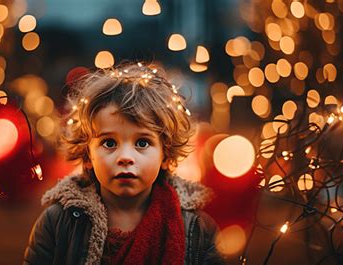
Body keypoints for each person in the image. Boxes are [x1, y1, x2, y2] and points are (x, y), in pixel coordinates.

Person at [23, 62, 225, 265]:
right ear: (87, 156)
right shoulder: (58, 223)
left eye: (142, 143)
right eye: (109, 143)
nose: (125, 157)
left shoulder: (197, 228)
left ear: (165, 155)